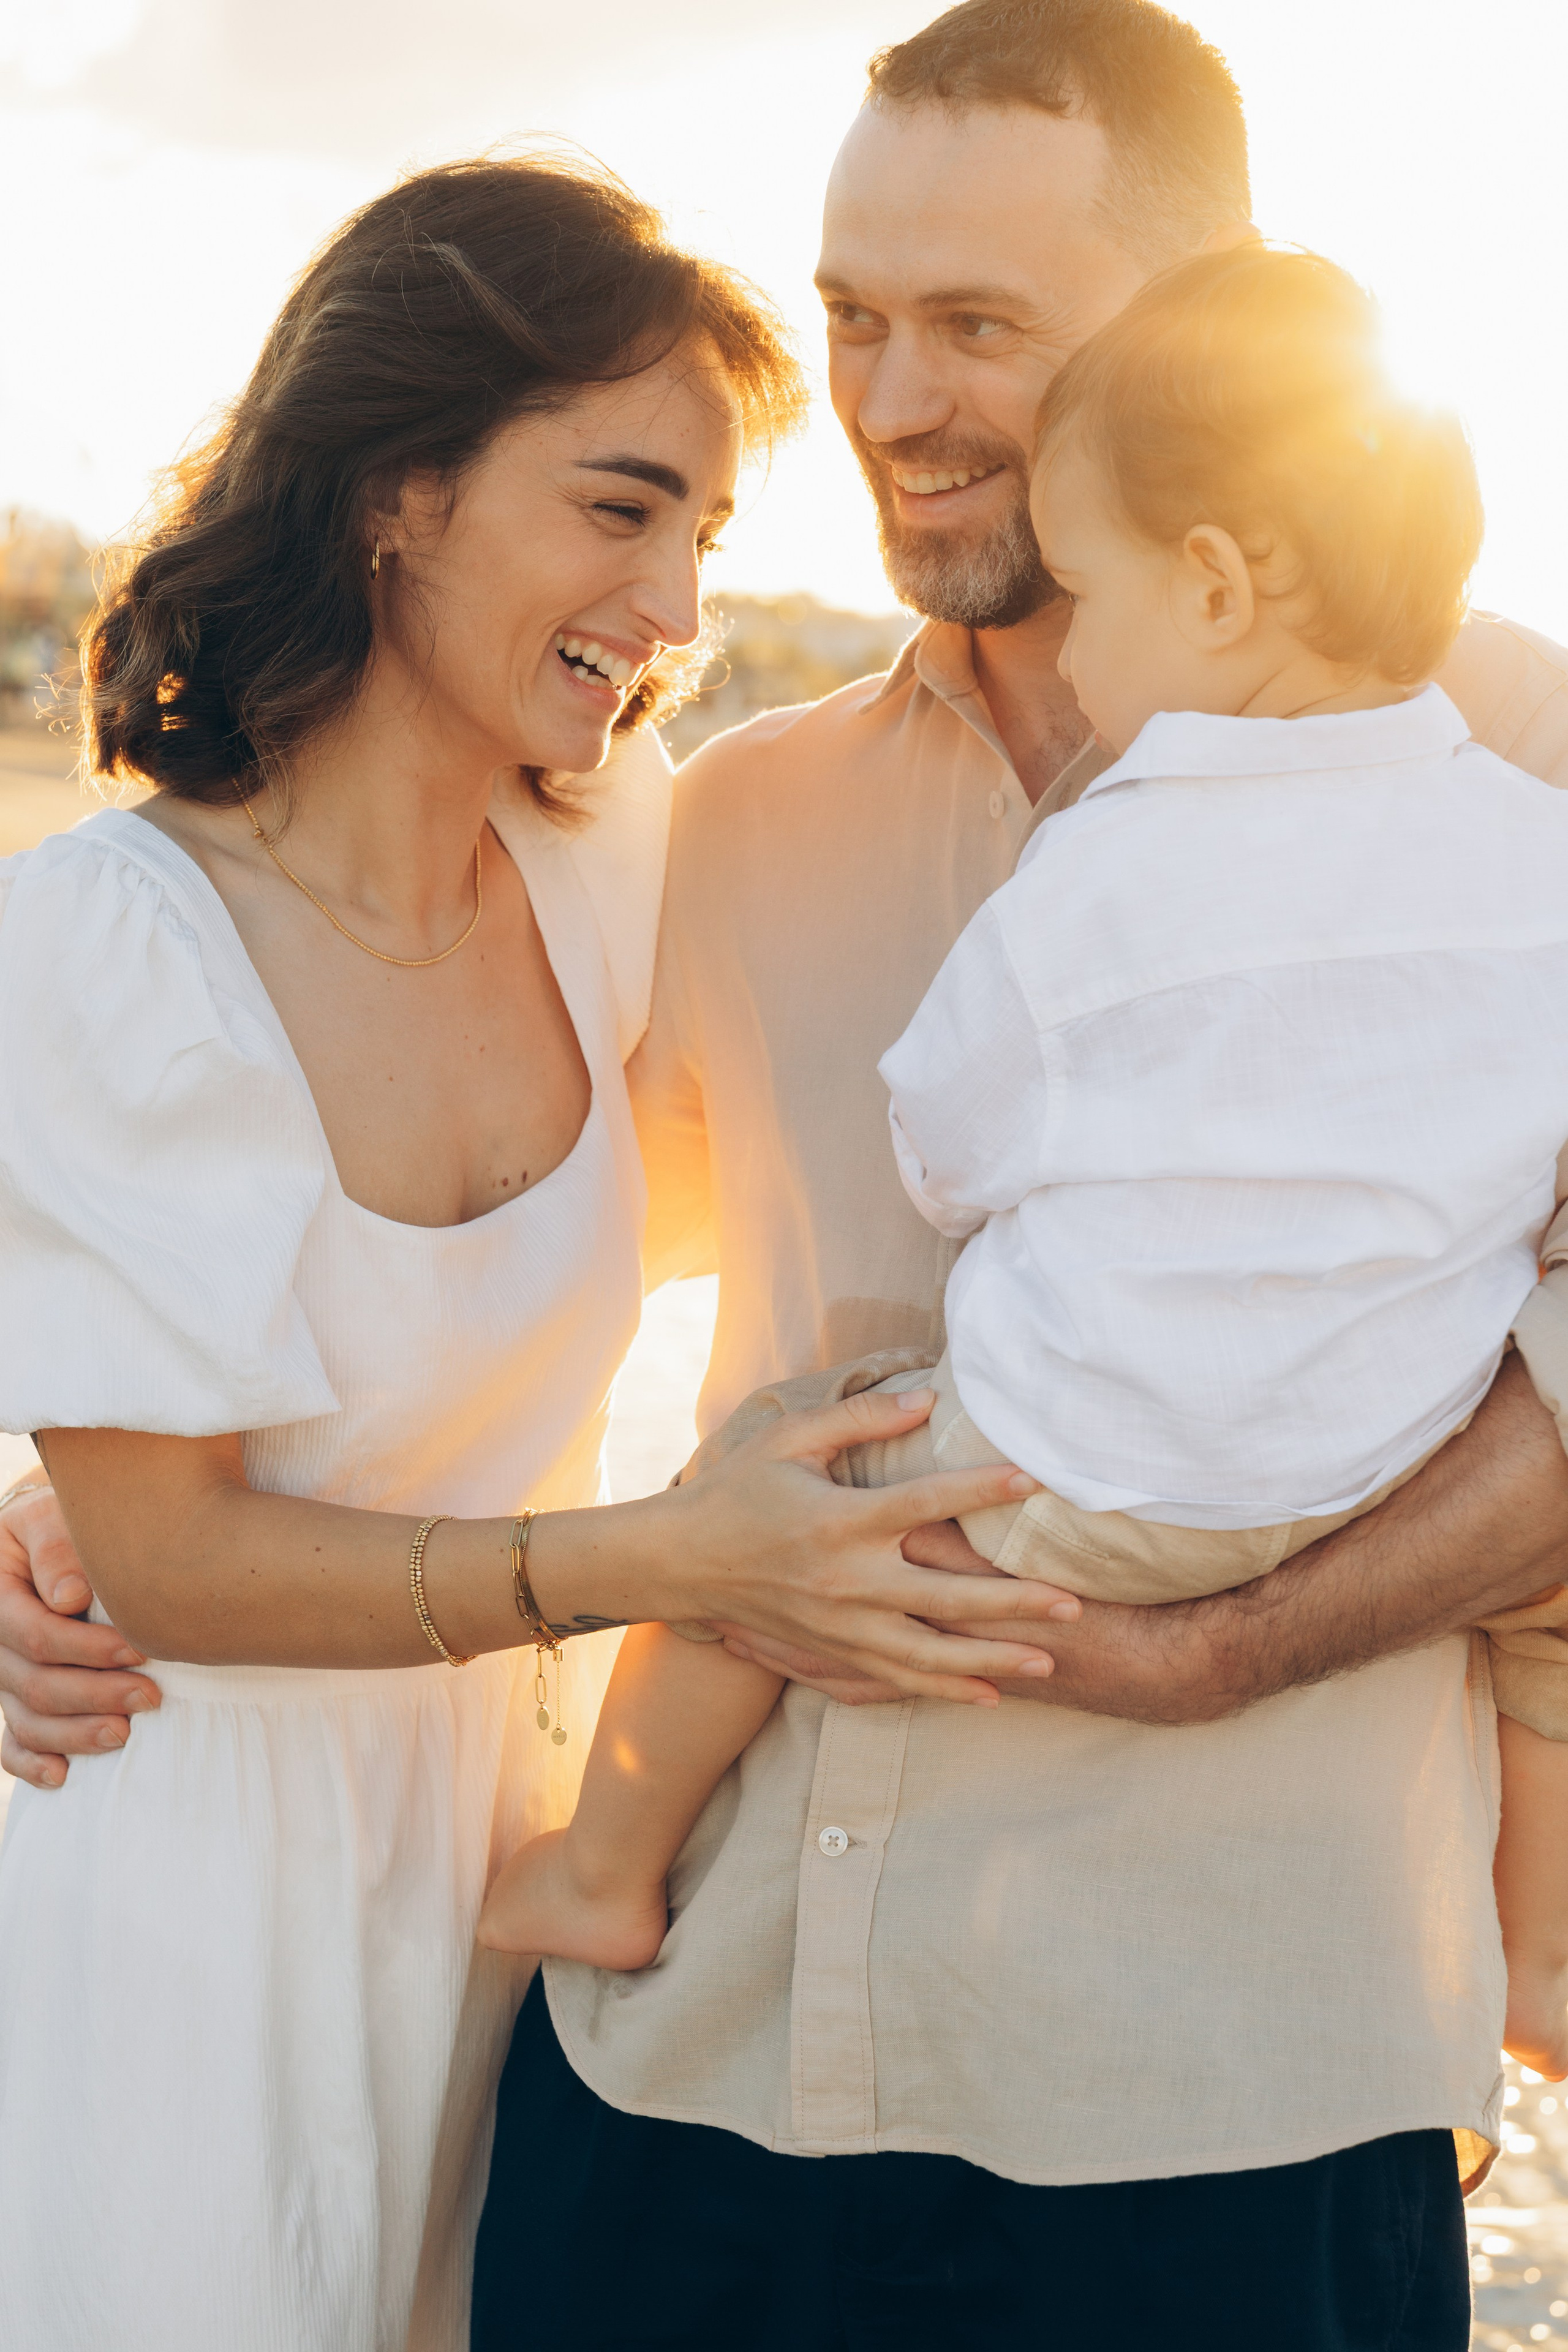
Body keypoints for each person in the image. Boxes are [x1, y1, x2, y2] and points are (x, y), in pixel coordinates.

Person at [11, 6, 1568, 2346]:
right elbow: (510, 1227)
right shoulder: (726, 817)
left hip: (1219, 2092)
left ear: (1202, 324)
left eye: (982, 325)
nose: (893, 400)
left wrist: (1225, 1648)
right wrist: (102, 1503)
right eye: (855, 316)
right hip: (683, 2065)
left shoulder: (1517, 771)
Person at [0, 153, 1069, 2352]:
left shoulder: (609, 857)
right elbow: (175, 1564)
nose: (675, 602)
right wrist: (678, 1557)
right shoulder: (112, 942)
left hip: (518, 1894)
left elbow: (719, 1202)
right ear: (399, 489)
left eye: (706, 536)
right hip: (180, 1888)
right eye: (619, 509)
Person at [474, 244, 1568, 2092]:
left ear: (1211, 584)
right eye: (856, 319)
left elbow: (948, 1141)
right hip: (1392, 1459)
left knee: (780, 1500)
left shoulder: (1118, 854)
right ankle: (1540, 1957)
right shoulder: (1536, 846)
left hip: (1097, 1506)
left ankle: (604, 1863)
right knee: (1554, 1627)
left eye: (1094, 593)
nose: (1082, 644)